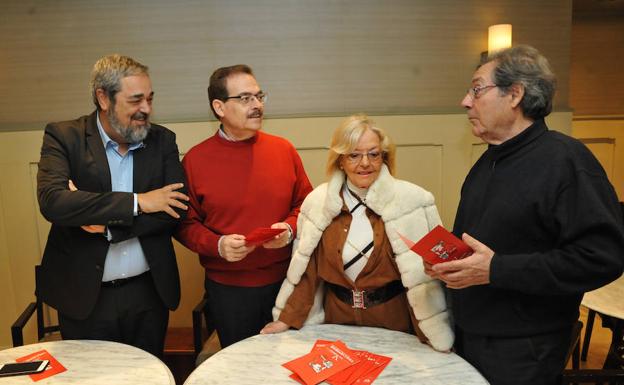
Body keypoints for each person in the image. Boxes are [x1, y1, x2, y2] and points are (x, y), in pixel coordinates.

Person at [426, 45, 624, 384]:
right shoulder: (487, 161)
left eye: (476, 89)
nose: (465, 101)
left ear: (515, 94)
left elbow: (602, 257)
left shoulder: (566, 161)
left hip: (524, 349)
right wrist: (448, 263)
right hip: (470, 336)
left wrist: (496, 270)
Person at [36, 54, 189, 357]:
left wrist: (107, 227)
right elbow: (54, 202)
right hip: (85, 297)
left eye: (149, 98)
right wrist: (139, 202)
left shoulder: (162, 141)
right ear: (103, 98)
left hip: (148, 293)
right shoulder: (65, 137)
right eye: (135, 100)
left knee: (149, 375)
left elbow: (175, 210)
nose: (146, 109)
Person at [261, 114, 454, 352]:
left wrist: (433, 332)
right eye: (354, 155)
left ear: (384, 157)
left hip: (394, 323)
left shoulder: (414, 201)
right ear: (340, 160)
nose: (365, 163)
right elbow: (306, 271)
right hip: (337, 322)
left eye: (373, 154)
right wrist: (286, 318)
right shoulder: (318, 204)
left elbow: (431, 276)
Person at [175, 64, 313, 348]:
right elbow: (184, 224)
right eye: (245, 98)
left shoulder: (283, 149)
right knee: (242, 369)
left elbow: (307, 206)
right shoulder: (195, 160)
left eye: (259, 96)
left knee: (288, 366)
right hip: (229, 292)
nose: (257, 105)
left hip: (287, 282)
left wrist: (288, 229)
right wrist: (218, 245)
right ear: (219, 107)